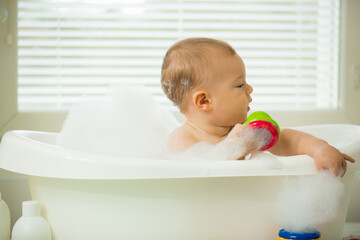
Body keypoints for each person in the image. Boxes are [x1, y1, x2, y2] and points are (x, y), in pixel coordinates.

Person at [161, 37, 355, 176]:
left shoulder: (248, 132)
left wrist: (321, 149)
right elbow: (202, 180)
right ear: (204, 101)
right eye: (239, 84)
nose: (250, 88)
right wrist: (232, 149)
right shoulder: (181, 141)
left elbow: (289, 140)